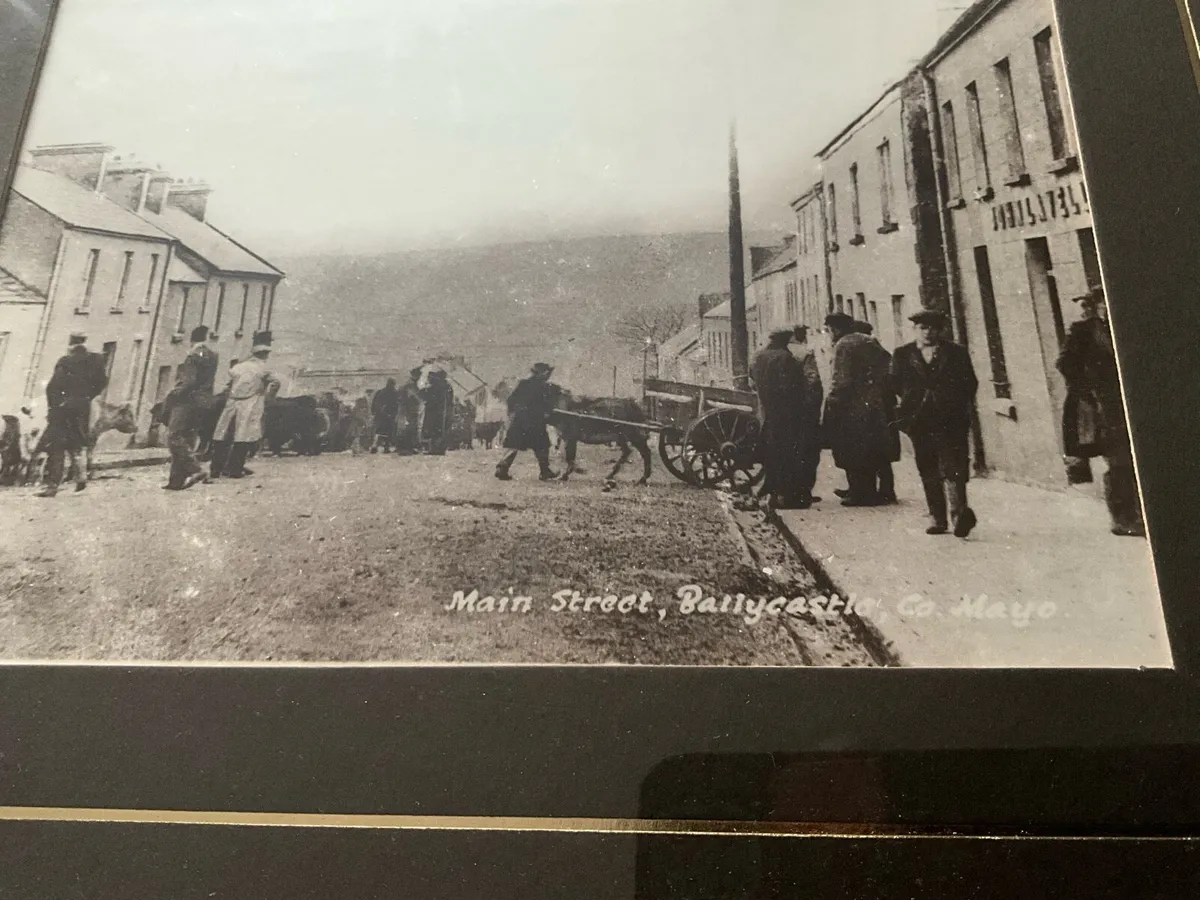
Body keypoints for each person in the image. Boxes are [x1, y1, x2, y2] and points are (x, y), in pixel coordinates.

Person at [1057, 287, 1144, 537]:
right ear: (1097, 306)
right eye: (1102, 303)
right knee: (1119, 460)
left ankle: (1139, 513)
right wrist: (1088, 391)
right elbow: (1065, 364)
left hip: (1128, 400)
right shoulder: (1084, 331)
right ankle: (1122, 518)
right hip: (1105, 405)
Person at [892, 310, 979, 537]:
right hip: (919, 420)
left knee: (954, 466)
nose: (928, 333)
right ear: (915, 330)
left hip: (951, 419)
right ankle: (937, 518)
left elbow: (969, 383)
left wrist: (954, 402)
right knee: (928, 467)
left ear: (940, 331)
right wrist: (910, 405)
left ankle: (958, 516)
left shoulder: (956, 353)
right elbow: (895, 384)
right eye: (923, 328)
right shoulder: (903, 354)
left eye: (933, 328)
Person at [821, 313, 899, 506]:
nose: (829, 334)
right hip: (874, 402)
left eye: (829, 330)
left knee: (852, 448)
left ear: (836, 329)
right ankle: (880, 491)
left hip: (851, 405)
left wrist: (832, 401)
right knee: (873, 448)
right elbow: (888, 366)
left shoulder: (843, 345)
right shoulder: (869, 341)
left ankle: (861, 493)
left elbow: (841, 379)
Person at [750, 328, 817, 509]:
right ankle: (787, 497)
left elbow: (752, 381)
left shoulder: (758, 356)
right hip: (787, 414)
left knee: (772, 454)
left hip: (767, 411)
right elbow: (791, 388)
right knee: (790, 455)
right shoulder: (785, 358)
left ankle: (772, 493)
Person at [36, 332, 107, 498]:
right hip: (82, 408)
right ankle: (81, 477)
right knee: (77, 443)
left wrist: (53, 407)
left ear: (71, 344)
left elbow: (53, 386)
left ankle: (52, 486)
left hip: (63, 409)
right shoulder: (96, 360)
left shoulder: (65, 361)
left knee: (56, 446)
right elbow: (102, 382)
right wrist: (87, 397)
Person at [210, 331, 281, 479]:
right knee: (243, 436)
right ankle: (235, 469)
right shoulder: (264, 368)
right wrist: (268, 396)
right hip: (250, 402)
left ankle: (216, 469)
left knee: (222, 435)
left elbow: (229, 382)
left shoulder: (239, 367)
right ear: (264, 354)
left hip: (232, 402)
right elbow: (276, 382)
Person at [163, 325, 218, 491]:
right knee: (187, 438)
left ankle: (196, 469)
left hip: (187, 401)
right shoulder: (212, 355)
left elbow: (189, 382)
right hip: (204, 402)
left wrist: (174, 392)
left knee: (173, 437)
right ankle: (176, 481)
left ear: (191, 340)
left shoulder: (193, 356)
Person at [495, 362, 559, 481]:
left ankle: (502, 468)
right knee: (542, 446)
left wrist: (513, 413)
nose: (548, 375)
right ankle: (545, 471)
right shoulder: (544, 387)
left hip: (520, 420)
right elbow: (548, 405)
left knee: (514, 444)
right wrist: (546, 413)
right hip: (536, 421)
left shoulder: (523, 384)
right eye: (547, 373)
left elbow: (511, 400)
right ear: (542, 373)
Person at [420, 368, 454, 455]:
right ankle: (439, 449)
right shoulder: (447, 386)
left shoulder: (436, 387)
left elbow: (425, 396)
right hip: (444, 411)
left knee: (435, 430)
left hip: (435, 412)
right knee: (441, 430)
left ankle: (435, 449)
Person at [396, 367, 424, 455]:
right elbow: (410, 398)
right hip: (409, 411)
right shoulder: (409, 386)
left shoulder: (412, 385)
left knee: (412, 428)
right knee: (409, 429)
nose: (419, 377)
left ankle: (411, 447)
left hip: (413, 410)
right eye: (418, 375)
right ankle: (408, 448)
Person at [370, 377, 400, 453]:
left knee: (379, 431)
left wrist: (374, 412)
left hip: (381, 415)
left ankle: (375, 446)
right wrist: (394, 414)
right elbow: (396, 405)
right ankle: (385, 447)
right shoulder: (395, 393)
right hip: (388, 415)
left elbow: (375, 403)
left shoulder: (380, 392)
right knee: (387, 432)